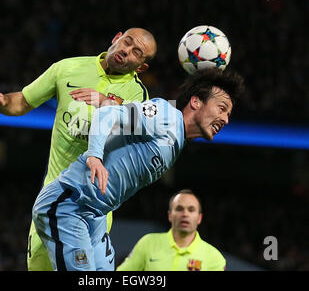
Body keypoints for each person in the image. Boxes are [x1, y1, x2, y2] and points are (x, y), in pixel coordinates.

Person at [0, 27, 157, 271]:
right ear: (116, 38)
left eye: (136, 52)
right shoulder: (67, 68)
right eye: (126, 42)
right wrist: (2, 102)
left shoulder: (138, 95)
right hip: (51, 200)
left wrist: (108, 103)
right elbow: (22, 102)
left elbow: (143, 129)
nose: (126, 51)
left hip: (93, 209)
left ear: (141, 67)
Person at [32, 68, 244, 271]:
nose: (225, 119)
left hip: (95, 217)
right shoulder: (168, 116)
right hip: (71, 204)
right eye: (222, 108)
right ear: (196, 101)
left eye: (228, 114)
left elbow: (124, 119)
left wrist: (108, 101)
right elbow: (107, 115)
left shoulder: (176, 139)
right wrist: (94, 156)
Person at [117, 189, 226, 271]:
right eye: (179, 209)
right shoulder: (148, 243)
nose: (185, 214)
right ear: (170, 215)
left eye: (191, 210)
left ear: (199, 218)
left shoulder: (214, 258)